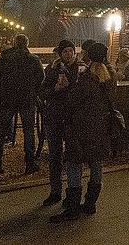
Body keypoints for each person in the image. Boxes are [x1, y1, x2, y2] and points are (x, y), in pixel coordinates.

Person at [49, 42, 116, 222]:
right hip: (100, 128)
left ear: (87, 56)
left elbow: (72, 102)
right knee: (96, 164)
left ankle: (72, 207)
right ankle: (90, 203)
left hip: (80, 128)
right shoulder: (110, 77)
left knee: (73, 164)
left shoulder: (86, 79)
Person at [0, 34, 44, 177]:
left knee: (0, 132)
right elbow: (41, 78)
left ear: (14, 43)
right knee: (28, 132)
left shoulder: (5, 59)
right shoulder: (33, 59)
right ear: (27, 44)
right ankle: (30, 163)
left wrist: (1, 94)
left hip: (7, 100)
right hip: (27, 100)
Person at [40, 40, 84, 206]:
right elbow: (43, 91)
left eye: (70, 51)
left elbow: (81, 92)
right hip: (54, 116)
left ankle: (72, 192)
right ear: (60, 53)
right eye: (65, 51)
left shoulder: (79, 69)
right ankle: (55, 191)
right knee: (55, 155)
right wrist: (55, 90)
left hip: (71, 117)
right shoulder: (52, 69)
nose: (68, 54)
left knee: (73, 154)